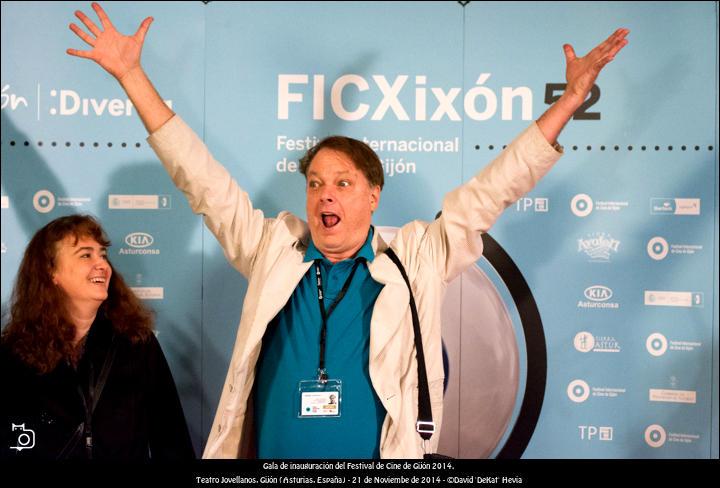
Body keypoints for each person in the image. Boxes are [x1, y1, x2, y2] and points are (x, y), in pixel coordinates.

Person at [66, 3, 628, 458]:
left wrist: (572, 100)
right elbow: (201, 179)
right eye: (314, 183)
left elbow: (495, 187)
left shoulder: (416, 256)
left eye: (341, 182)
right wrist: (133, 76)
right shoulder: (273, 250)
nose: (324, 194)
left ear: (373, 195)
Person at [1, 214, 195, 460]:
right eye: (85, 255)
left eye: (102, 255)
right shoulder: (16, 353)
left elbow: (171, 440)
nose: (102, 265)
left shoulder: (136, 343)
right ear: (52, 272)